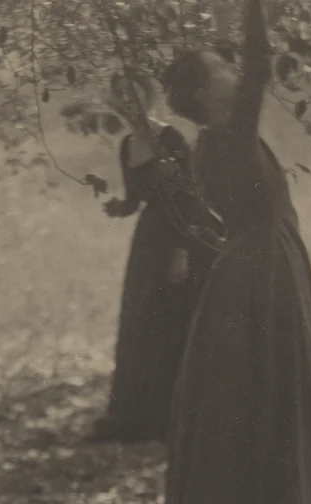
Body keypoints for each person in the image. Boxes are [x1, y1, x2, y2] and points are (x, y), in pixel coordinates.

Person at [159, 0, 311, 504]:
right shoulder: (227, 133)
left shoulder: (214, 140)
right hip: (261, 277)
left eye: (225, 63)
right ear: (205, 92)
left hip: (255, 271)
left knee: (269, 397)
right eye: (215, 67)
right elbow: (260, 65)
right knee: (272, 396)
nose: (228, 69)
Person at [89, 72, 220, 444]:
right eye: (121, 98)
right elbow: (137, 198)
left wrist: (181, 253)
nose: (129, 103)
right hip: (148, 240)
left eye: (136, 95)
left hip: (181, 235)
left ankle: (173, 416)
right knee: (142, 320)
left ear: (148, 98)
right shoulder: (128, 143)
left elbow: (189, 196)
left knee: (173, 320)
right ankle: (139, 414)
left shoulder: (170, 138)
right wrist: (120, 207)